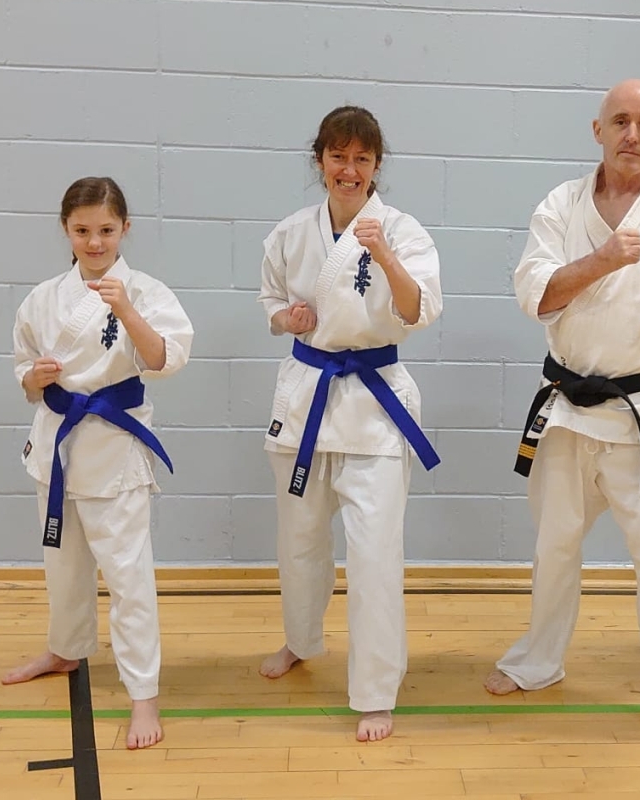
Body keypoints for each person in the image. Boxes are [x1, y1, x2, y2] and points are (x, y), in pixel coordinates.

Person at [483, 79, 640, 762]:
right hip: (568, 410)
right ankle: (538, 660)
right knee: (553, 547)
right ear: (597, 130)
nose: (633, 133)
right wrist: (602, 259)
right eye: (620, 120)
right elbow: (534, 295)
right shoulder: (559, 206)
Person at [256, 106, 442, 743]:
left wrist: (384, 253)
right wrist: (288, 320)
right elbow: (271, 305)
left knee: (373, 556)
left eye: (362, 159)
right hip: (307, 396)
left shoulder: (403, 230)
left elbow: (418, 310)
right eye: (338, 157)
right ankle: (302, 642)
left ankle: (375, 691)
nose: (349, 170)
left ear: (376, 167)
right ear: (320, 162)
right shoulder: (287, 234)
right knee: (300, 542)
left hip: (374, 405)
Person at [3, 176, 194, 750]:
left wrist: (128, 310)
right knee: (62, 565)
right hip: (58, 444)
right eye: (82, 230)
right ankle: (65, 648)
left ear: (125, 230)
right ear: (66, 229)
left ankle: (144, 695)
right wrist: (31, 379)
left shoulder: (148, 291)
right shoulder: (42, 297)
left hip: (114, 449)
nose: (94, 241)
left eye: (106, 230)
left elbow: (165, 358)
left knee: (129, 577)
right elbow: (25, 367)